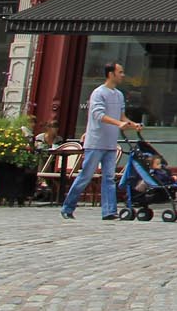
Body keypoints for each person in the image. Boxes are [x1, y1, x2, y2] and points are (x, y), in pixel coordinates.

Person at [60, 60, 140, 221]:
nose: (123, 75)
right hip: (96, 143)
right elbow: (98, 115)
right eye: (120, 72)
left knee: (109, 178)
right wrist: (119, 123)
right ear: (111, 74)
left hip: (110, 143)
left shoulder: (119, 95)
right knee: (86, 175)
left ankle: (109, 211)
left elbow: (122, 117)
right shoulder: (98, 93)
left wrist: (133, 125)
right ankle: (68, 207)